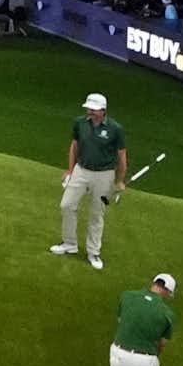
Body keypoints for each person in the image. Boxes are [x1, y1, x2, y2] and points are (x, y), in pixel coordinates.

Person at [52, 89, 129, 270]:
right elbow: (74, 146)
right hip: (81, 171)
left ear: (103, 110)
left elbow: (122, 157)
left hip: (104, 175)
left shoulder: (115, 129)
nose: (91, 112)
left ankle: (93, 252)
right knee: (67, 205)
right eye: (89, 109)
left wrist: (119, 181)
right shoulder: (80, 123)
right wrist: (70, 171)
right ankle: (69, 244)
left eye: (94, 110)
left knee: (97, 213)